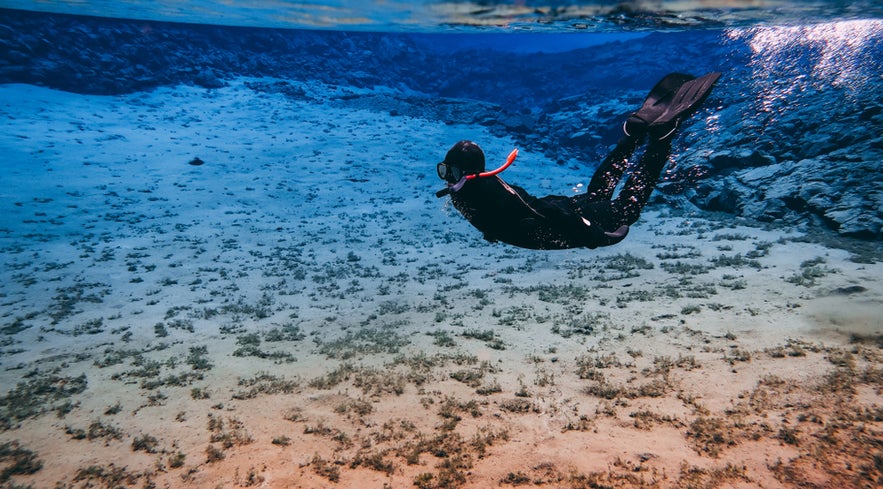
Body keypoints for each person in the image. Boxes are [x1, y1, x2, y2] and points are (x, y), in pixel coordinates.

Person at [435, 72, 721, 250]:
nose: (448, 178)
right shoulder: (468, 188)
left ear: (472, 173)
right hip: (556, 208)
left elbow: (538, 213)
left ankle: (659, 141)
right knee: (597, 195)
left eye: (453, 171)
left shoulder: (484, 189)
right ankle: (631, 138)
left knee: (624, 211)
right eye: (445, 170)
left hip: (553, 224)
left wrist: (594, 236)